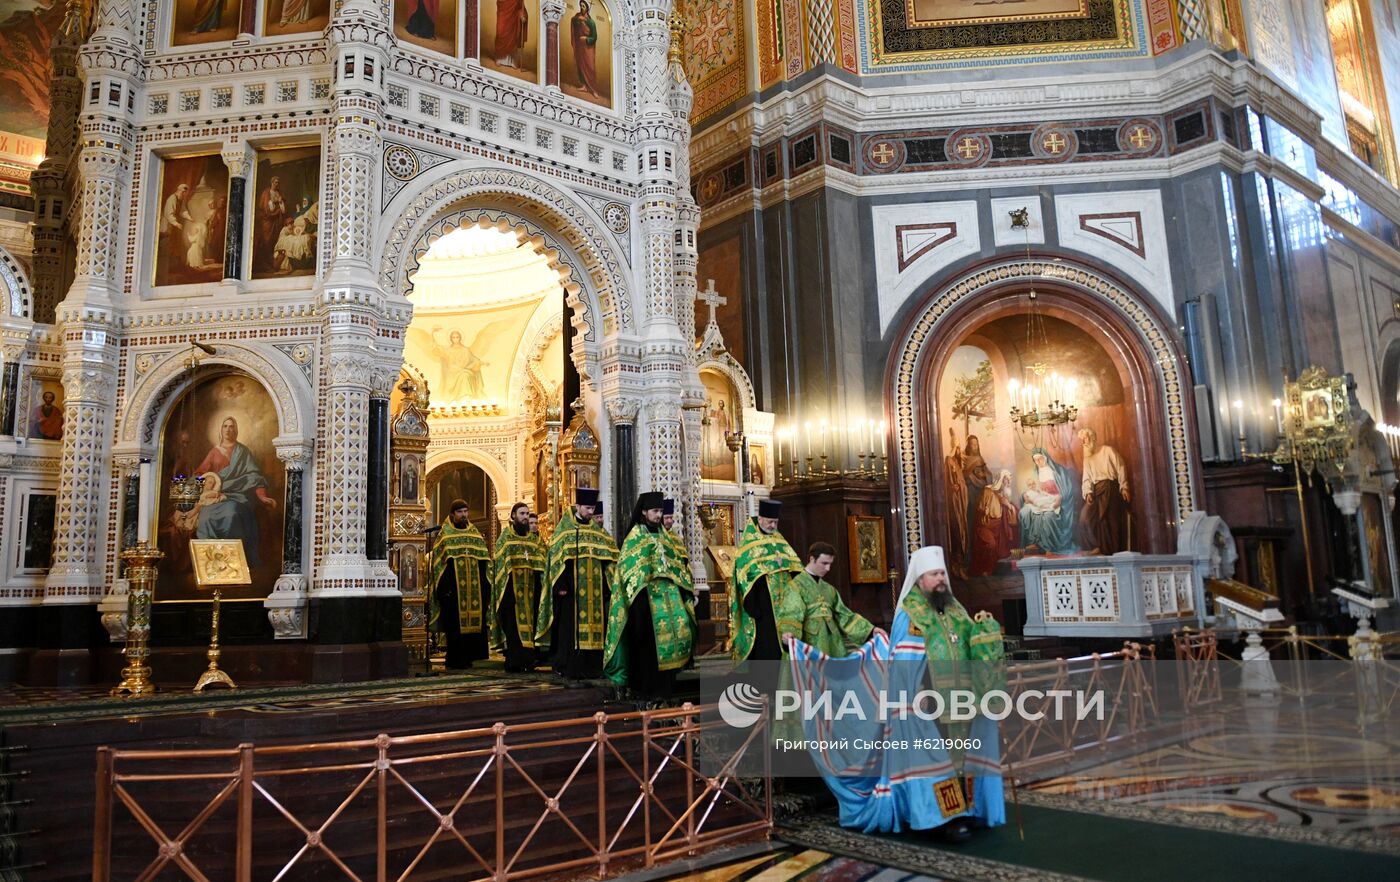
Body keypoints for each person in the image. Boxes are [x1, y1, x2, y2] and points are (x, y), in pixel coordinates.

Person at [787, 546, 1007, 839]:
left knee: (964, 756)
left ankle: (972, 808)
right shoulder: (911, 614)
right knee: (934, 762)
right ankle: (944, 818)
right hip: (924, 705)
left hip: (960, 700)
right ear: (919, 579)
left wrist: (986, 633)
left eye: (942, 573)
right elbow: (904, 668)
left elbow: (972, 645)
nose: (941, 579)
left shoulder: (956, 609)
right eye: (934, 574)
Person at [605, 492, 695, 704]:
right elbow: (629, 570)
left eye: (660, 511)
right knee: (646, 645)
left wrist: (684, 588)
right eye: (655, 511)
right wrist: (640, 598)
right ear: (644, 512)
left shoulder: (665, 536)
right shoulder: (635, 536)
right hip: (644, 602)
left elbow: (676, 565)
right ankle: (644, 690)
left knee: (675, 639)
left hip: (669, 599)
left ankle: (665, 689)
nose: (658, 515)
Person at [537, 488, 617, 686]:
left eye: (592, 508)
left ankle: (593, 667)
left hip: (596, 593)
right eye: (587, 508)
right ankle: (572, 666)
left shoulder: (598, 533)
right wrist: (561, 585)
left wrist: (609, 584)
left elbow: (610, 558)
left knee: (597, 628)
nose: (590, 512)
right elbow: (556, 560)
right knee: (570, 630)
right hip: (571, 593)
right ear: (578, 507)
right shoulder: (565, 530)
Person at [173, 417, 276, 567]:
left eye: (231, 426)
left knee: (232, 513)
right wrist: (187, 490)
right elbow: (201, 473)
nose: (228, 429)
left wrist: (262, 496)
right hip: (213, 498)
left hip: (237, 496)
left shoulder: (243, 451)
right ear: (221, 430)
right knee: (206, 518)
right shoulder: (214, 452)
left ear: (236, 430)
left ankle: (232, 564)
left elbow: (253, 476)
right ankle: (209, 565)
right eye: (225, 426)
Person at [730, 498, 803, 662]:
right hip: (764, 609)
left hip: (785, 607)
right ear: (760, 519)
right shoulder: (749, 544)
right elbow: (744, 575)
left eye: (775, 522)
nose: (772, 526)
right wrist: (755, 607)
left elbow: (795, 567)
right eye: (770, 522)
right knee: (767, 649)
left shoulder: (780, 541)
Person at [777, 542, 872, 657]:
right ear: (812, 559)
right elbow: (791, 615)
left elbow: (844, 616)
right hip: (809, 645)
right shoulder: (796, 586)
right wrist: (788, 633)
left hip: (833, 645)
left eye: (830, 564)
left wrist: (871, 631)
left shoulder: (829, 589)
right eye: (824, 563)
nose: (828, 568)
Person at [428, 498, 492, 669]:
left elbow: (484, 560)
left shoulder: (474, 533)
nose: (463, 515)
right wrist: (444, 590)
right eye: (460, 512)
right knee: (455, 627)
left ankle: (472, 657)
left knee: (474, 625)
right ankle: (455, 659)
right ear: (452, 514)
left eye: (465, 511)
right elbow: (439, 564)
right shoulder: (445, 535)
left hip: (475, 591)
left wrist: (486, 587)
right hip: (453, 593)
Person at [492, 502, 547, 673]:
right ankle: (514, 661)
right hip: (511, 594)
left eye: (527, 513)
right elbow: (500, 568)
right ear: (513, 516)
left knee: (531, 627)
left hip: (531, 593)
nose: (524, 517)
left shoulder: (533, 540)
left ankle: (530, 660)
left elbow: (542, 565)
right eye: (521, 513)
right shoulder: (505, 539)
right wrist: (507, 594)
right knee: (514, 630)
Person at [1076, 428, 1130, 554]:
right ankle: (1096, 546)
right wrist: (1088, 492)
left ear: (1092, 437)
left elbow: (1120, 466)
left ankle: (1111, 551)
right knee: (1085, 517)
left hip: (1110, 487)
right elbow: (1086, 478)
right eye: (1081, 440)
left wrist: (1124, 486)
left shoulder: (1107, 450)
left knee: (1109, 520)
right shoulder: (1087, 458)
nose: (1083, 441)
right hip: (1096, 491)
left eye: (1085, 438)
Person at [1019, 447, 1076, 555]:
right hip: (1040, 499)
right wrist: (1025, 496)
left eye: (1040, 459)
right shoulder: (1035, 472)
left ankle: (1047, 547)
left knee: (1047, 516)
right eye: (1035, 460)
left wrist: (1060, 497)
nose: (1038, 462)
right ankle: (1034, 543)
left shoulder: (1057, 471)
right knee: (1025, 512)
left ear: (1045, 458)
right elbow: (1028, 487)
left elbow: (1066, 489)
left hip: (1055, 499)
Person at [970, 469, 1017, 576]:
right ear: (1001, 480)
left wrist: (1009, 507)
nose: (1009, 483)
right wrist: (984, 510)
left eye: (1010, 481)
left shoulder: (1003, 496)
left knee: (996, 550)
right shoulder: (988, 491)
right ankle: (983, 570)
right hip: (986, 526)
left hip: (998, 528)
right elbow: (980, 507)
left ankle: (989, 571)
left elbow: (1011, 515)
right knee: (990, 545)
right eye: (1007, 480)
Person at [943, 427, 969, 577]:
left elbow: (962, 485)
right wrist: (953, 487)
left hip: (961, 504)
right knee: (956, 532)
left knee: (962, 532)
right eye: (958, 449)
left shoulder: (958, 466)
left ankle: (960, 565)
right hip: (954, 505)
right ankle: (955, 564)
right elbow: (948, 481)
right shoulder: (950, 461)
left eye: (960, 449)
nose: (960, 452)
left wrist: (962, 488)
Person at [570, 1, 601, 97]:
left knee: (590, 67)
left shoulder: (591, 22)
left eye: (583, 6)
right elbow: (574, 21)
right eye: (581, 6)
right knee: (580, 64)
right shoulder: (578, 17)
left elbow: (594, 37)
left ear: (587, 8)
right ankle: (584, 85)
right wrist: (578, 20)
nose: (582, 7)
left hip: (588, 47)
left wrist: (586, 39)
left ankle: (593, 89)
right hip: (580, 46)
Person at [495, 0, 530, 68]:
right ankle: (500, 58)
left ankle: (512, 61)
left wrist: (522, 15)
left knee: (513, 38)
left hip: (513, 20)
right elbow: (499, 3)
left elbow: (520, 7)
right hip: (503, 16)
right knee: (501, 33)